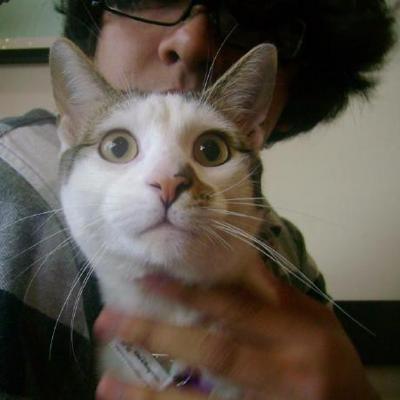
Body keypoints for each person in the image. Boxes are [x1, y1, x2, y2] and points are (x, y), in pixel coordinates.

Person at [0, 0, 396, 399]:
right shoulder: (11, 195)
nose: (191, 41)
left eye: (210, 149)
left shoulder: (289, 253)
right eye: (118, 146)